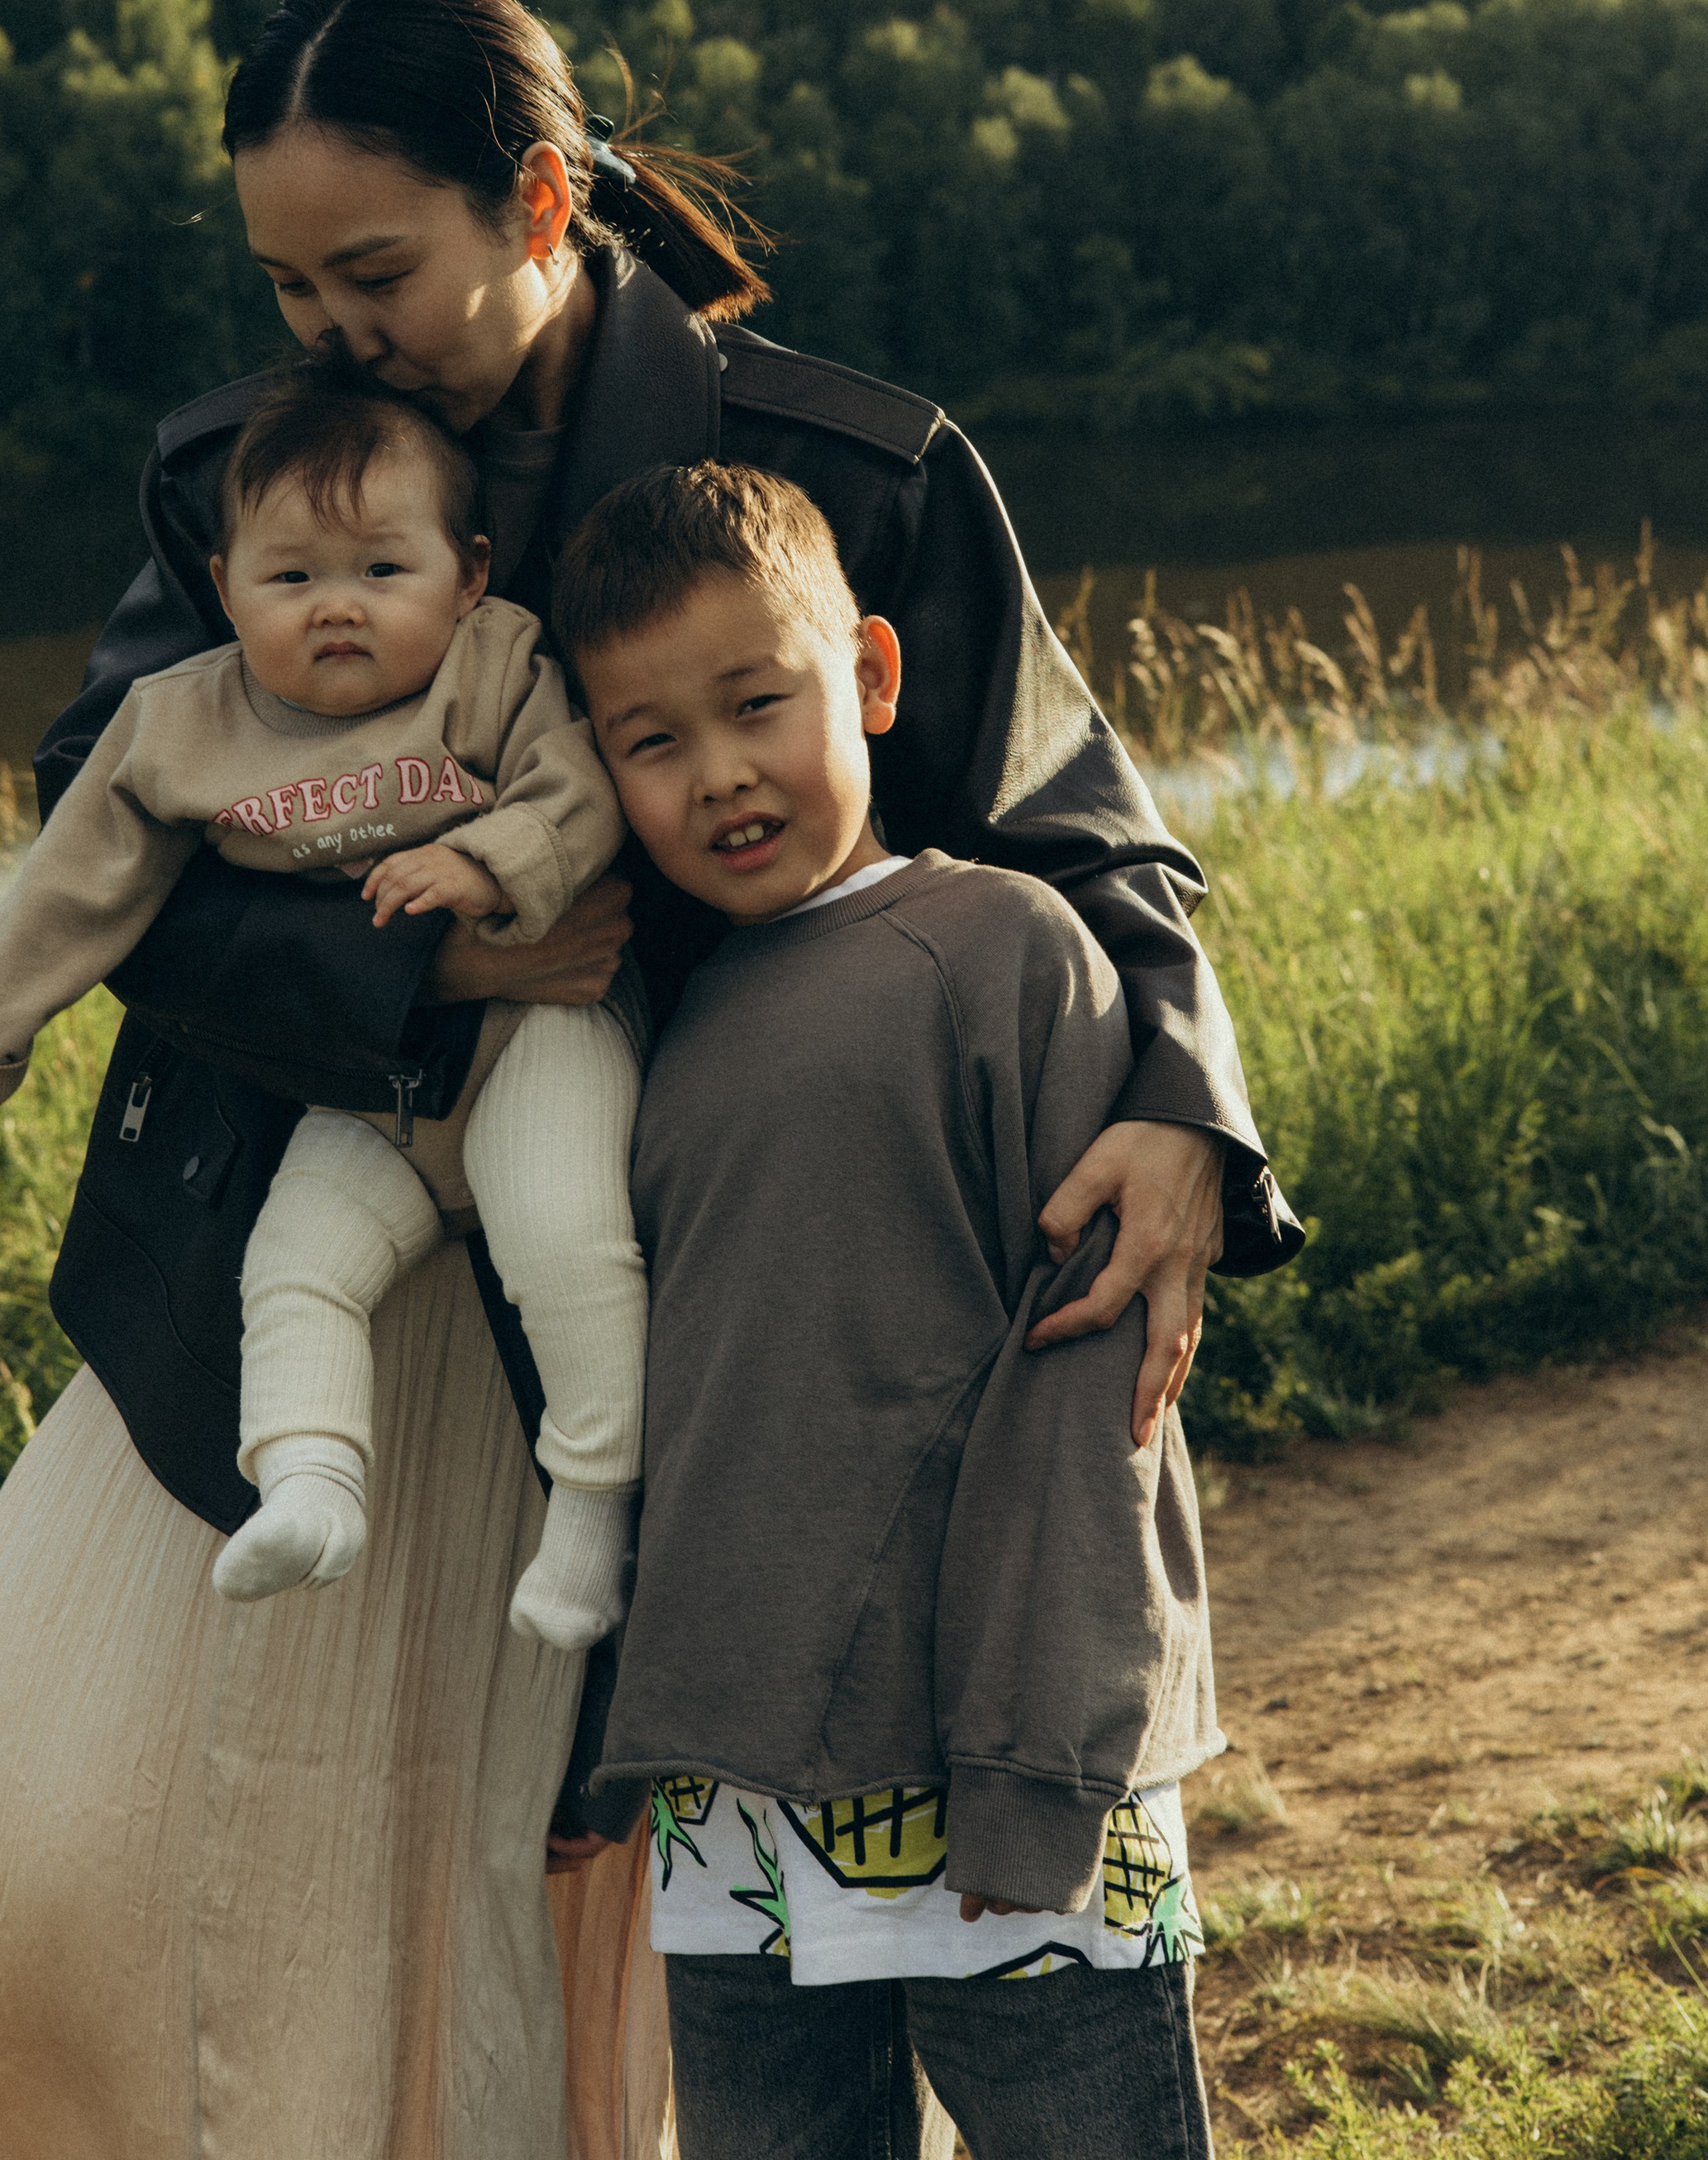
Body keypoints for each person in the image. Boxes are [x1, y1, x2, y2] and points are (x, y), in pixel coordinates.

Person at [0, 0, 1300, 2160]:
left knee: (676, 1998)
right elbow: (112, 827)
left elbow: (1088, 840)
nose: (332, 337)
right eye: (287, 290)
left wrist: (1178, 1111)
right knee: (83, 1892)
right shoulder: (236, 483)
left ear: (542, 203)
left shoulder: (849, 473)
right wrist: (416, 976)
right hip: (305, 1291)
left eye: (376, 272)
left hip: (726, 1338)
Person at [557, 461, 1219, 2160]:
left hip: (994, 1768)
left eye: (754, 705)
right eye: (649, 742)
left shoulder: (1001, 950)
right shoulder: (674, 1022)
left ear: (866, 675)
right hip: (739, 1804)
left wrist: (1040, 1763)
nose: (717, 777)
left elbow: (1099, 1406)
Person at [0, 360, 646, 1643]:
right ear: (224, 590)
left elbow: (578, 789)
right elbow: (73, 887)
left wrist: (487, 858)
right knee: (299, 1264)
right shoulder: (178, 725)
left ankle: (593, 1511)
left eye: (383, 571)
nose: (338, 610)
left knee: (565, 1236)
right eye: (293, 577)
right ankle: (312, 1485)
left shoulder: (495, 664)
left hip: (534, 1035)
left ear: (469, 574)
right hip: (367, 1078)